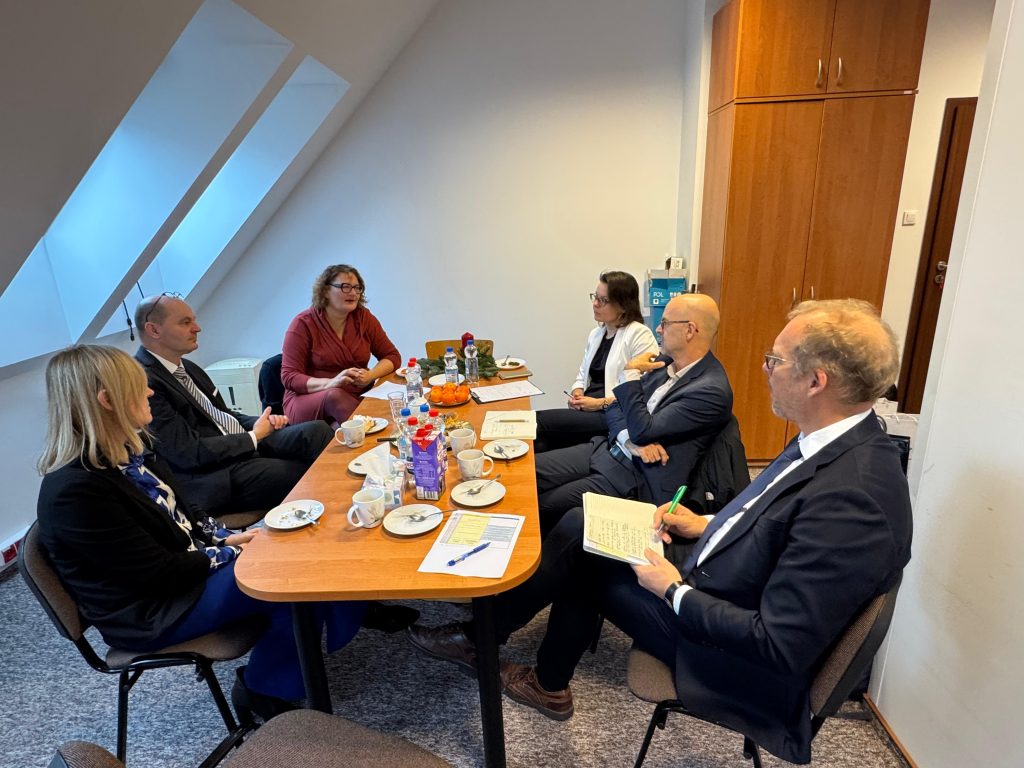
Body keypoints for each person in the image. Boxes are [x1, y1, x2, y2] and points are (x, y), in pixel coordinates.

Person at [411, 299, 912, 765]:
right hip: (724, 580)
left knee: (584, 553)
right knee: (586, 526)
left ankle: (493, 642)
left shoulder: (855, 498)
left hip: (729, 653)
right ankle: (514, 654)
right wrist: (705, 522)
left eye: (773, 361)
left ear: (816, 382)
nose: (765, 371)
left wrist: (671, 590)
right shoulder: (832, 442)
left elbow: (777, 644)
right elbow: (779, 523)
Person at [35, 345, 366, 722]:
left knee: (291, 554)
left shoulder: (132, 450)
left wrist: (226, 540)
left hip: (179, 576)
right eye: (139, 386)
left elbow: (187, 514)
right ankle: (261, 691)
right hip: (153, 609)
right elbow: (156, 573)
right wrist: (229, 555)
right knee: (287, 574)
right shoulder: (74, 491)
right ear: (108, 400)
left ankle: (295, 659)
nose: (150, 392)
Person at [533, 293, 732, 534]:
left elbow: (643, 429)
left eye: (665, 323)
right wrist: (629, 441)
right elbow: (617, 408)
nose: (658, 329)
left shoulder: (710, 389)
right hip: (610, 449)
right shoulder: (665, 361)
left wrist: (630, 373)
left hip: (635, 477)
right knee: (529, 474)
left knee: (543, 506)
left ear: (690, 330)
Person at [133, 294, 333, 519]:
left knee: (318, 431)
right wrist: (253, 437)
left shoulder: (188, 367)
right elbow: (187, 452)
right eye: (185, 322)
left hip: (240, 446)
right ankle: (332, 524)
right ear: (154, 330)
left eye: (194, 320)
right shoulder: (145, 382)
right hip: (214, 475)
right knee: (302, 473)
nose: (197, 328)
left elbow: (223, 416)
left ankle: (348, 504)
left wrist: (260, 423)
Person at [534, 271, 659, 453]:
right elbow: (583, 373)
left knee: (537, 421)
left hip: (612, 414)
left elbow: (643, 391)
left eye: (603, 300)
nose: (595, 304)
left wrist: (599, 403)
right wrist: (577, 391)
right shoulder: (597, 334)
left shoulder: (639, 334)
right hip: (588, 409)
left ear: (623, 305)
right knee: (540, 444)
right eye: (595, 297)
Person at [281, 264, 401, 426]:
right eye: (345, 287)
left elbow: (392, 356)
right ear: (325, 291)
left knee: (390, 401)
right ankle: (372, 434)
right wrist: (331, 383)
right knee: (334, 396)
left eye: (357, 288)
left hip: (356, 393)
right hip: (308, 399)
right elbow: (289, 377)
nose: (353, 293)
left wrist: (371, 375)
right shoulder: (302, 324)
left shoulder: (363, 317)